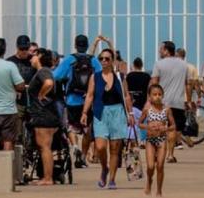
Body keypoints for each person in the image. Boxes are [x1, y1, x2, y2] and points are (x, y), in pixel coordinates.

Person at [81, 48, 135, 189]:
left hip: (117, 112)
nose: (104, 61)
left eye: (107, 59)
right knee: (100, 147)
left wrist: (130, 114)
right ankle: (104, 168)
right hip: (100, 112)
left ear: (112, 61)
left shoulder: (120, 77)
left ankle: (112, 179)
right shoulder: (95, 76)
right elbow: (90, 95)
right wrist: (85, 112)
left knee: (115, 148)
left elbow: (127, 95)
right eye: (101, 58)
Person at [53, 34, 103, 168]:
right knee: (87, 130)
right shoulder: (93, 60)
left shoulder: (69, 59)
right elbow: (101, 77)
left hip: (71, 100)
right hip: (88, 100)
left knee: (71, 127)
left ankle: (75, 146)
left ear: (75, 45)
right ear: (86, 46)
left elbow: (56, 76)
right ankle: (83, 157)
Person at [150, 41, 193, 163]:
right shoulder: (184, 65)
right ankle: (170, 155)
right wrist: (188, 100)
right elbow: (188, 85)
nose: (159, 51)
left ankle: (158, 153)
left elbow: (154, 83)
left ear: (166, 50)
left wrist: (151, 100)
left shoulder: (159, 64)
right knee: (173, 128)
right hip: (178, 102)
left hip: (162, 102)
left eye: (161, 49)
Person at [27, 48, 61, 185]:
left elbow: (48, 83)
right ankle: (47, 177)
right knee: (44, 146)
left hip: (44, 115)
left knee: (44, 146)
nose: (31, 58)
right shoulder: (43, 72)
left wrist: (41, 95)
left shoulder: (43, 71)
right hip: (45, 114)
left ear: (40, 57)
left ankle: (48, 178)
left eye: (34, 56)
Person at [139, 84, 175, 198]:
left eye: (159, 94)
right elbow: (139, 123)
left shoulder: (167, 110)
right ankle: (149, 181)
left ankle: (159, 190)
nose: (157, 97)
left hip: (162, 140)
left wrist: (166, 128)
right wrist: (148, 127)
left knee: (160, 165)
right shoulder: (147, 110)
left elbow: (173, 125)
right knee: (150, 166)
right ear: (150, 96)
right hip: (150, 140)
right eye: (154, 94)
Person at [7, 35, 37, 145]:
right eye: (22, 49)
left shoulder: (33, 61)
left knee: (35, 130)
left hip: (32, 100)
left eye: (26, 48)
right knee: (17, 132)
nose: (24, 51)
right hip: (17, 102)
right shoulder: (10, 62)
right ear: (17, 47)